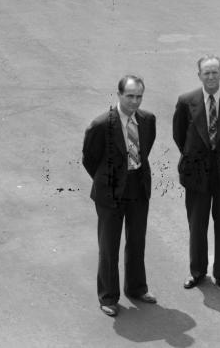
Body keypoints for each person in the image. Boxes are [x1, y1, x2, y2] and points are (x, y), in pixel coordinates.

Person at [82, 75, 157, 316]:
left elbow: (145, 150)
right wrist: (107, 179)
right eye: (130, 96)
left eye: (139, 96)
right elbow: (90, 159)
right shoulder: (101, 124)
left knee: (137, 242)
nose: (135, 102)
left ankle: (136, 288)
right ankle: (108, 296)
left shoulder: (147, 120)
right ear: (119, 95)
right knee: (109, 246)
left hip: (138, 188)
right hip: (110, 192)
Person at [172, 55, 220, 290]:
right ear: (199, 76)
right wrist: (194, 155)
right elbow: (180, 134)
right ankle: (197, 272)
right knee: (197, 224)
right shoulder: (186, 101)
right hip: (196, 174)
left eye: (215, 72)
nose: (211, 76)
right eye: (207, 73)